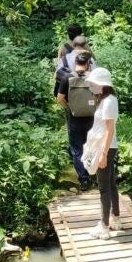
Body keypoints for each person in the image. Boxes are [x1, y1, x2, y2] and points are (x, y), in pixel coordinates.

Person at [83, 67, 120, 240]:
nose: (91, 86)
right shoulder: (106, 100)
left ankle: (104, 226)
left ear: (103, 85)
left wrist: (103, 154)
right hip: (106, 146)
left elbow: (109, 130)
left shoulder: (109, 101)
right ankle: (115, 218)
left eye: (94, 83)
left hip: (105, 147)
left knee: (104, 187)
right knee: (111, 184)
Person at [57, 51, 96, 190]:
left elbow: (60, 99)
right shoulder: (94, 78)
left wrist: (70, 109)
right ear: (87, 64)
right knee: (90, 147)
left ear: (75, 64)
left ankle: (84, 179)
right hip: (91, 119)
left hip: (74, 120)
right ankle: (93, 174)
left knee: (76, 150)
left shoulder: (67, 77)